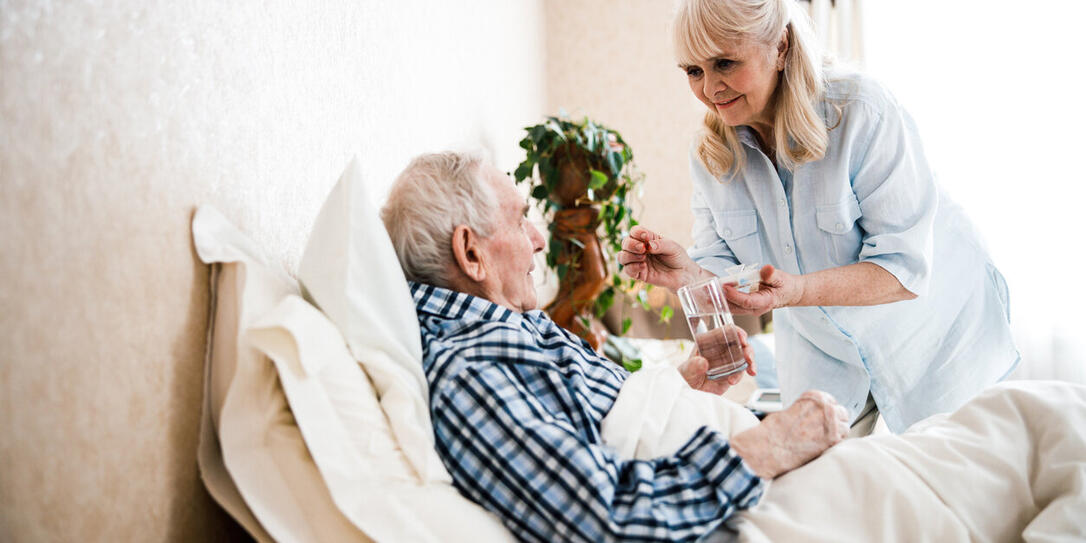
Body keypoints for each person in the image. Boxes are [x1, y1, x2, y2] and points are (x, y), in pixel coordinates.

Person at [380, 151, 850, 541]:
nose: (540, 240)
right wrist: (772, 443)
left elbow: (601, 424)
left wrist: (685, 387)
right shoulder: (470, 369)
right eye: (522, 219)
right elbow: (610, 521)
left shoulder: (505, 331)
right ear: (471, 253)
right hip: (760, 500)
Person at [618, 0, 1019, 435]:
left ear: (781, 45)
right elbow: (728, 270)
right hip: (819, 342)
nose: (710, 88)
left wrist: (796, 290)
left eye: (725, 63)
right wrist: (688, 273)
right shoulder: (711, 155)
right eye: (693, 71)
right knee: (823, 480)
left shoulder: (863, 112)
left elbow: (903, 269)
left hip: (931, 330)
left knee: (950, 477)